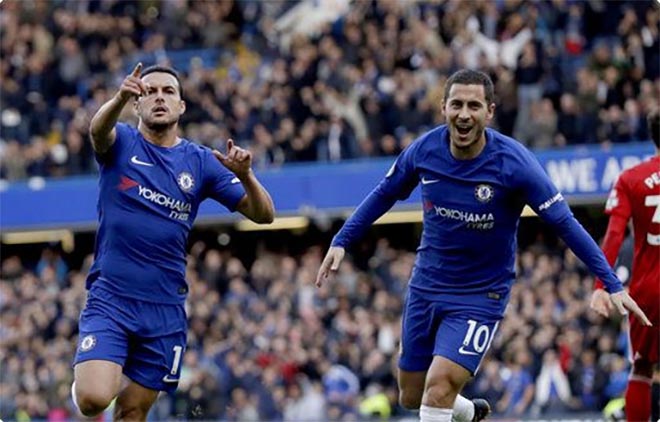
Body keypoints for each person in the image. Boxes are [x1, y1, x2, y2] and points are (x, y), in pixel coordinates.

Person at [316, 69, 651, 422]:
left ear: (489, 111)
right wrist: (342, 240)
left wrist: (611, 282)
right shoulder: (425, 150)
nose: (464, 114)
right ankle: (467, 412)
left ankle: (450, 402)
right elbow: (385, 193)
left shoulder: (514, 163)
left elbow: (565, 225)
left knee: (438, 388)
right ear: (443, 107)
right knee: (412, 395)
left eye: (473, 106)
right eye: (457, 104)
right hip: (426, 286)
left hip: (480, 295)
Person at [71, 63, 274, 421]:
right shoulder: (122, 142)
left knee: (132, 412)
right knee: (94, 399)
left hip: (164, 309)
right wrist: (118, 98)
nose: (159, 97)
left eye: (168, 91)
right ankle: (81, 384)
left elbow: (264, 214)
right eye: (150, 91)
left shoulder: (200, 162)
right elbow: (97, 130)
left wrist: (246, 176)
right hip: (112, 298)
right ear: (137, 104)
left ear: (181, 106)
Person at [590, 108, 660, 422]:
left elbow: (614, 236)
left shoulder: (630, 179)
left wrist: (600, 286)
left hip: (647, 292)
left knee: (642, 368)